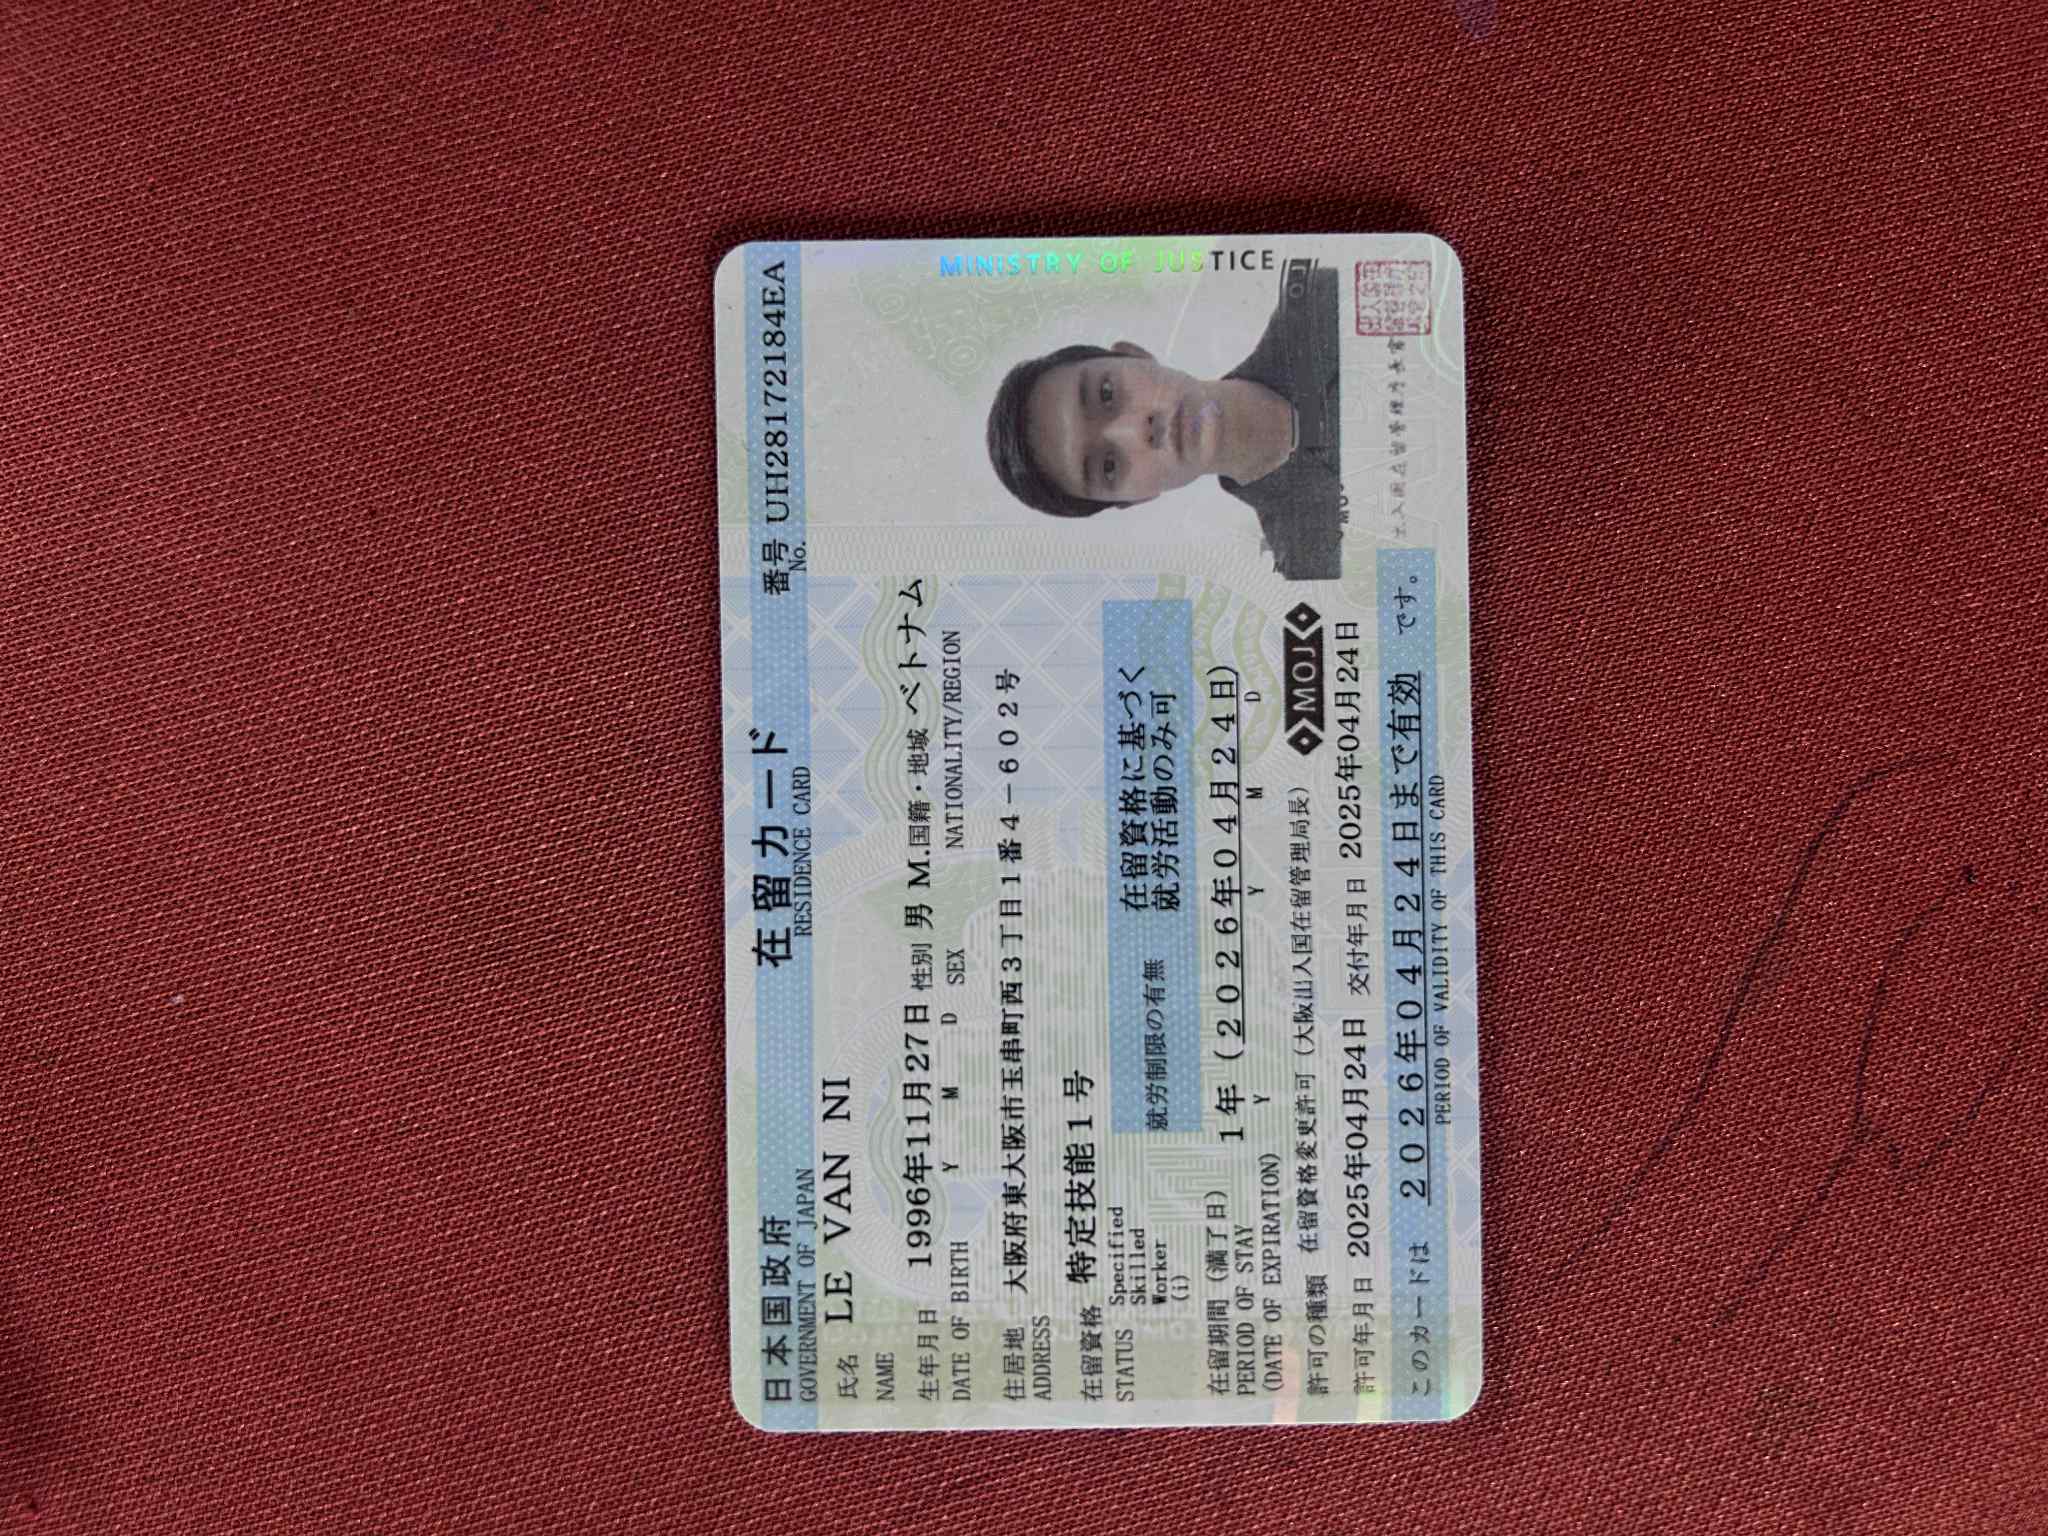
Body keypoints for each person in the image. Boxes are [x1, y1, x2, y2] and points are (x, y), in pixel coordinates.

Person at [985, 259, 1344, 579]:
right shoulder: (1311, 562)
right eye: (1108, 466)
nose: (1136, 431)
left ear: (1134, 354)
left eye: (1106, 394)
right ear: (1135, 499)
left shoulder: (1324, 294)